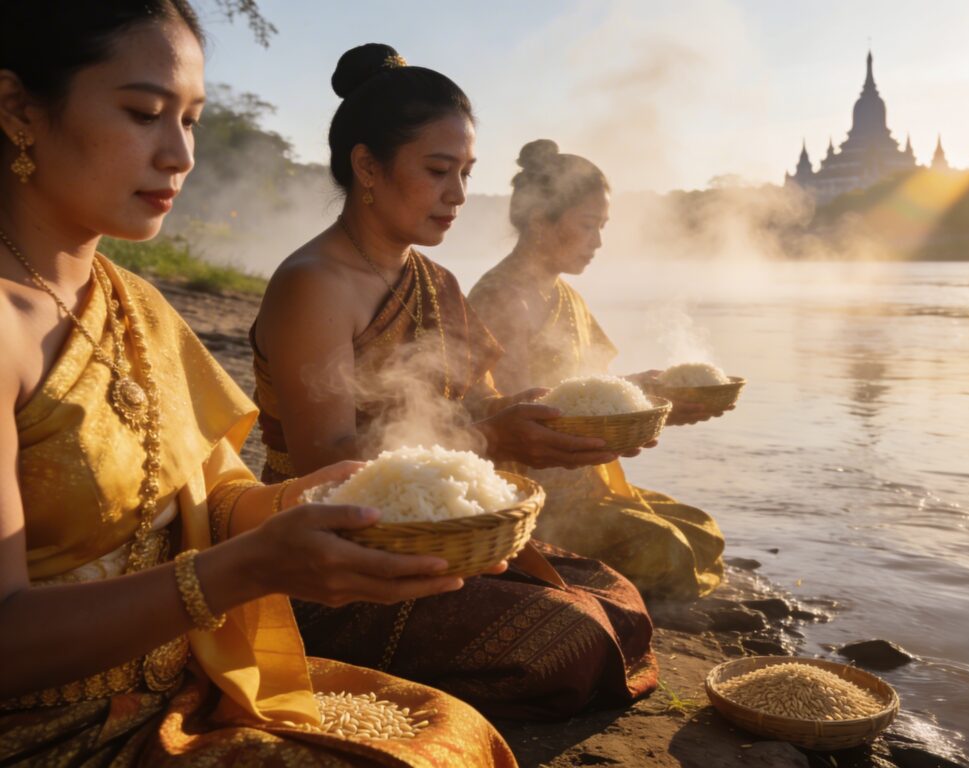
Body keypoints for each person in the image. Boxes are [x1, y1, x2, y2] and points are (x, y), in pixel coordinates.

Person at [0, 4, 517, 765]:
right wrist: (251, 567)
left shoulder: (136, 304)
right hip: (53, 734)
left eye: (193, 121)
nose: (180, 156)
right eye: (145, 113)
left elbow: (217, 498)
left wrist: (324, 504)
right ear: (18, 110)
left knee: (457, 739)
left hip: (189, 683)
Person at [250, 44, 657, 720]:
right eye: (439, 171)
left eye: (467, 173)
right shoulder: (313, 284)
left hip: (446, 534)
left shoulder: (434, 281)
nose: (460, 196)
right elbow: (325, 463)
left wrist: (538, 422)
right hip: (332, 554)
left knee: (619, 600)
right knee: (575, 641)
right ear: (367, 166)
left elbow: (467, 410)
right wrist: (491, 436)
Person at [468, 140, 726, 603]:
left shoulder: (564, 294)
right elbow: (522, 409)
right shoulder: (500, 297)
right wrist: (635, 406)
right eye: (589, 226)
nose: (599, 242)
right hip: (533, 488)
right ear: (538, 220)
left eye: (603, 227)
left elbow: (587, 387)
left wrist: (649, 397)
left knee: (702, 529)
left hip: (583, 478)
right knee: (667, 549)